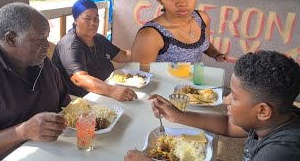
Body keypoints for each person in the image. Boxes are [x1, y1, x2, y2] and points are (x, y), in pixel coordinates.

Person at [125, 50, 300, 161]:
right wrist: (178, 115)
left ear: (262, 110)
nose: (225, 100)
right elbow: (229, 125)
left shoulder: (281, 153)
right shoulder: (278, 117)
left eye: (235, 97)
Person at [0, 2, 71, 160]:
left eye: (47, 38)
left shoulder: (43, 63)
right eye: (39, 40)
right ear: (11, 39)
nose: (47, 46)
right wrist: (22, 132)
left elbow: (66, 106)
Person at [52, 0, 138, 101]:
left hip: (104, 90)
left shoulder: (99, 39)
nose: (93, 23)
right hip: (82, 99)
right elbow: (80, 79)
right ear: (75, 20)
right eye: (87, 19)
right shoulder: (70, 45)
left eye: (96, 18)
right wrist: (112, 90)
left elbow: (123, 56)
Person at [131, 0, 227, 71]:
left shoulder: (202, 18)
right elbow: (140, 77)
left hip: (194, 84)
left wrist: (217, 55)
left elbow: (203, 44)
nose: (182, 3)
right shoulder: (150, 35)